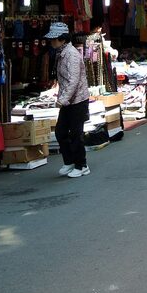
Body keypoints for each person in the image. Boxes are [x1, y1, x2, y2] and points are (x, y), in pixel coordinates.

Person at [48, 21, 90, 179]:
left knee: (76, 133)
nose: (52, 41)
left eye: (54, 39)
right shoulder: (61, 53)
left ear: (62, 39)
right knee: (61, 132)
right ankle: (70, 161)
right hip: (68, 100)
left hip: (77, 100)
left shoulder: (71, 54)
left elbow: (73, 80)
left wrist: (62, 99)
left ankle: (82, 165)